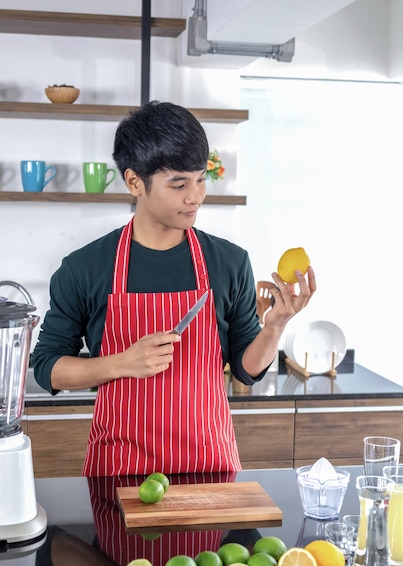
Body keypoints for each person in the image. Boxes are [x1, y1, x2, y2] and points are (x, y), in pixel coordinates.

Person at [32, 100, 316, 476]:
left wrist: (275, 326)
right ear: (134, 181)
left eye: (200, 178)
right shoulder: (85, 268)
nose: (195, 196)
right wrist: (122, 363)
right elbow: (46, 367)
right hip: (120, 471)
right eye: (179, 184)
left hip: (209, 466)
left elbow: (247, 370)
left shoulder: (229, 262)